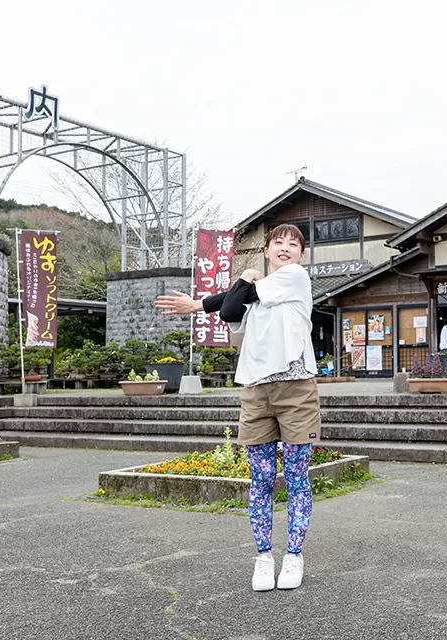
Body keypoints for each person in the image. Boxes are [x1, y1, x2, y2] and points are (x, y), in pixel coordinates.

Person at [154, 224, 320, 593]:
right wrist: (198, 304)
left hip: (295, 389)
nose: (286, 248)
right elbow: (231, 309)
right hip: (256, 392)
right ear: (266, 249)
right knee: (260, 478)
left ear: (301, 255)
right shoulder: (256, 294)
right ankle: (264, 557)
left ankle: (293, 554)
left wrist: (243, 276)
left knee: (295, 477)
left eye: (294, 244)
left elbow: (233, 298)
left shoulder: (295, 277)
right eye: (279, 242)